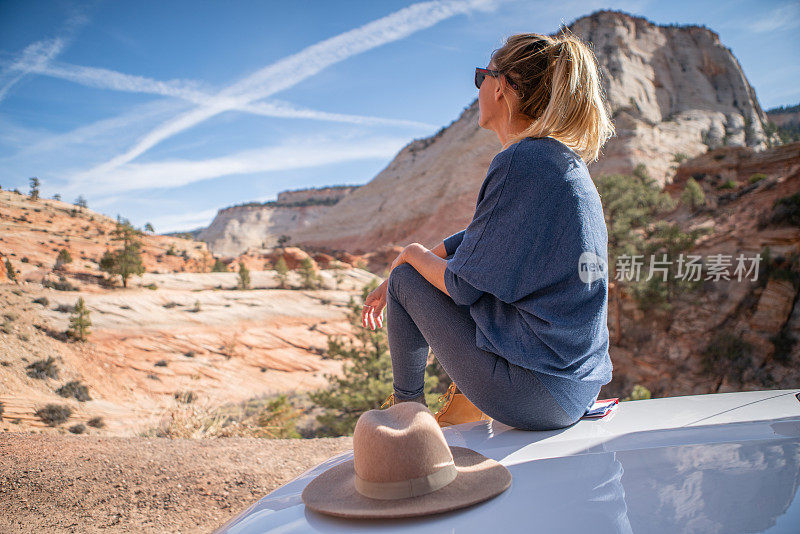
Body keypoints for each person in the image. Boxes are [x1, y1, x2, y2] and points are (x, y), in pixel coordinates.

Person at [361, 28, 615, 431]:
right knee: (419, 272)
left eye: (482, 76)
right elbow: (480, 237)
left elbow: (462, 287)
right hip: (576, 387)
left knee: (407, 279)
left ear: (502, 88)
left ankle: (406, 422)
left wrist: (408, 255)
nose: (478, 88)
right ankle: (456, 405)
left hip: (536, 394)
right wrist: (419, 254)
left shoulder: (521, 160)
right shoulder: (554, 161)